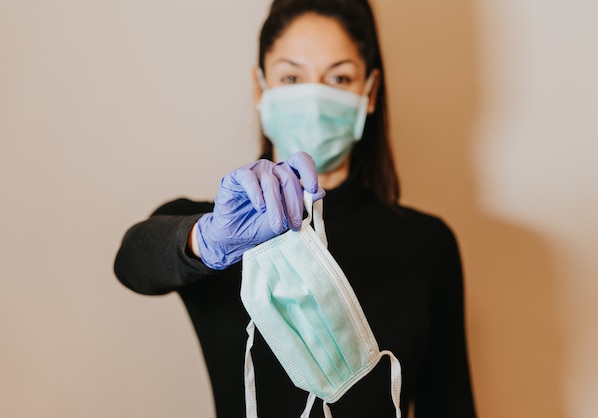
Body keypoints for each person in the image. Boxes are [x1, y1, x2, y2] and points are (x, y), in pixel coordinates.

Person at [114, 0, 477, 417]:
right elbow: (132, 261)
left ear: (369, 92)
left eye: (338, 77)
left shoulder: (426, 243)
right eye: (291, 76)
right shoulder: (220, 227)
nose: (313, 99)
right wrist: (206, 240)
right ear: (260, 87)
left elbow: (451, 405)